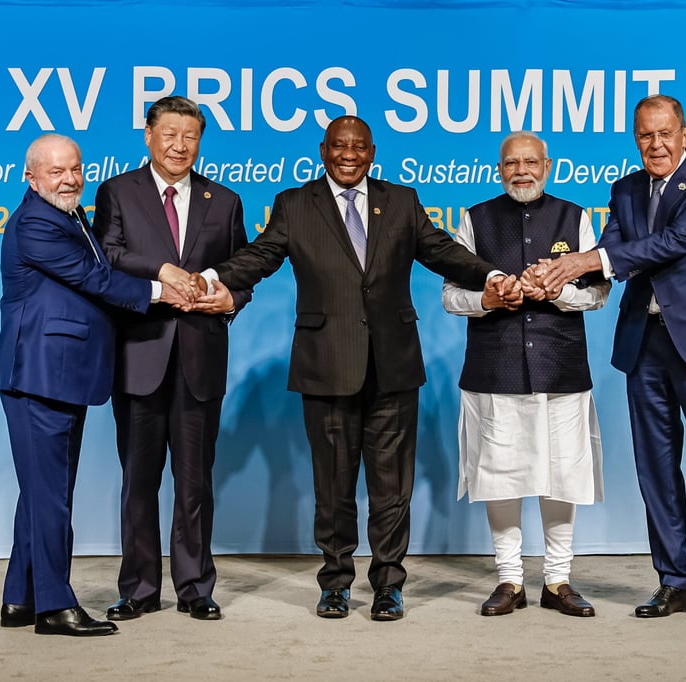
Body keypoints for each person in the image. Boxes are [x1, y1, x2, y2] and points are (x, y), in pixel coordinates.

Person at [201, 115, 498, 621]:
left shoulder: (401, 200)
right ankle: (335, 583)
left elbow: (441, 250)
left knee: (391, 488)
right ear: (323, 150)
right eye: (339, 146)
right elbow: (261, 255)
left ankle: (388, 585)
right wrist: (210, 278)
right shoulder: (295, 204)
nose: (349, 154)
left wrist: (489, 272)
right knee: (333, 487)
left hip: (394, 367)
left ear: (372, 152)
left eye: (359, 147)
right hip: (326, 365)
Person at [539, 95, 686, 627]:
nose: (656, 144)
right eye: (646, 136)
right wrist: (552, 274)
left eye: (665, 133)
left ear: (685, 133)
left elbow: (672, 243)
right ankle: (674, 582)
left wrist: (588, 260)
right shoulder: (625, 188)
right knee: (656, 471)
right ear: (636, 139)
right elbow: (610, 251)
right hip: (644, 344)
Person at [0, 133, 165, 636]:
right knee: (50, 498)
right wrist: (164, 287)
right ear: (31, 177)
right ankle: (55, 606)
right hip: (38, 377)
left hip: (65, 375)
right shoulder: (35, 224)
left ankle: (19, 599)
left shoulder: (68, 214)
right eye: (56, 172)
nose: (70, 179)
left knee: (42, 493)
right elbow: (98, 281)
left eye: (75, 169)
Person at [93, 96, 251, 622]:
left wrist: (230, 298)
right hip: (140, 355)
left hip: (200, 360)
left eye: (190, 136)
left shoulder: (224, 201)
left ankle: (194, 588)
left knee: (194, 482)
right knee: (138, 480)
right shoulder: (118, 191)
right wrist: (163, 270)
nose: (180, 145)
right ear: (148, 136)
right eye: (170, 134)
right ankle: (138, 588)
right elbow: (108, 254)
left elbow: (240, 268)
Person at [443, 131, 609, 618]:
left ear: (547, 165)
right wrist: (487, 300)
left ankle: (558, 580)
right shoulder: (475, 219)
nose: (522, 170)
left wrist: (556, 291)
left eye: (530, 162)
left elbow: (598, 295)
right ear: (500, 169)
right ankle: (509, 579)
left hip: (561, 368)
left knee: (562, 477)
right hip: (494, 369)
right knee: (500, 476)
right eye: (511, 163)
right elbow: (451, 296)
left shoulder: (574, 216)